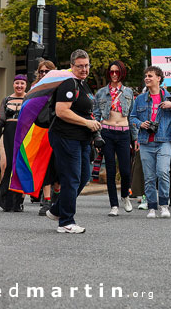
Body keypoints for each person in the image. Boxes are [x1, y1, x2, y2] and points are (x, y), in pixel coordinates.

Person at [44, 50, 100, 233]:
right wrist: (87, 123)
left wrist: (92, 126)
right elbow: (61, 111)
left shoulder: (82, 84)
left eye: (86, 65)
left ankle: (57, 210)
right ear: (72, 66)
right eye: (80, 66)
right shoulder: (69, 83)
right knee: (71, 178)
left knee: (84, 177)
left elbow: (84, 110)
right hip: (66, 137)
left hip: (81, 138)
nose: (84, 69)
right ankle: (66, 222)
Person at [130, 66, 171, 220]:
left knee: (162, 173)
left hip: (164, 141)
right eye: (145, 76)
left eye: (150, 76)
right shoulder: (140, 99)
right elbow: (132, 117)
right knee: (149, 177)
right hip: (145, 142)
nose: (146, 78)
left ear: (158, 78)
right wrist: (140, 124)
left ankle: (164, 205)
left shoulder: (169, 97)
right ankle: (151, 207)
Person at [94, 60, 137, 217]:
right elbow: (96, 116)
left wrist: (135, 138)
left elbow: (132, 116)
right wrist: (96, 137)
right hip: (107, 132)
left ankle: (125, 195)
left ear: (122, 73)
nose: (113, 75)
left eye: (116, 72)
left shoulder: (128, 92)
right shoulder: (100, 93)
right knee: (110, 170)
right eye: (111, 72)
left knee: (125, 170)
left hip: (124, 133)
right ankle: (113, 204)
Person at [0, 75, 27, 212]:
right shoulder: (6, 99)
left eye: (22, 83)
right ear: (13, 84)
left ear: (26, 85)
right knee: (7, 166)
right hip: (7, 133)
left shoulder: (30, 98)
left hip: (23, 135)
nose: (19, 86)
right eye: (17, 83)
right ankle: (5, 200)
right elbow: (2, 120)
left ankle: (18, 201)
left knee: (19, 167)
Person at [34, 60, 60, 217]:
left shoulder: (60, 86)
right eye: (41, 71)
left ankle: (56, 196)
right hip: (40, 131)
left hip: (57, 130)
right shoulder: (35, 88)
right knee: (45, 167)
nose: (44, 74)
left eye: (47, 71)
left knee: (57, 167)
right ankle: (46, 201)